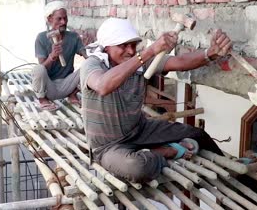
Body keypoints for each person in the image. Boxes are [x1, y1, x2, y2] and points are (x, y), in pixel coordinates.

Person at [81, 18, 232, 183]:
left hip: (140, 130)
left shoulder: (138, 63)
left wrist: (210, 53)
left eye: (133, 45)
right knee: (136, 167)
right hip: (108, 147)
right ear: (106, 47)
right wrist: (149, 51)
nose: (131, 51)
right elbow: (103, 85)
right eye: (123, 45)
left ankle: (229, 173)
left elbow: (179, 62)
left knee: (197, 134)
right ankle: (167, 152)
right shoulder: (93, 64)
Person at [32, 1, 87, 110]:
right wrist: (52, 56)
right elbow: (43, 68)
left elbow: (86, 55)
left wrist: (93, 53)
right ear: (49, 19)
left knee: (89, 66)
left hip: (68, 85)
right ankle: (42, 100)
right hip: (49, 87)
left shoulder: (73, 37)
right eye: (59, 19)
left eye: (65, 18)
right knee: (38, 69)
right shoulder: (41, 38)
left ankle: (73, 94)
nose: (63, 22)